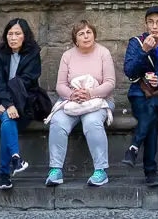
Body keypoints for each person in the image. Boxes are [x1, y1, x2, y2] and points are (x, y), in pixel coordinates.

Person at [44, 19, 117, 188]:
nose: (86, 36)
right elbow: (60, 85)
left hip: (99, 100)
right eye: (81, 34)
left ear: (94, 34)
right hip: (72, 101)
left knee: (91, 122)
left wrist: (90, 93)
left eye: (88, 32)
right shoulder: (67, 55)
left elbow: (110, 83)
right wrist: (72, 94)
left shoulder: (103, 53)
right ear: (75, 39)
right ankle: (56, 170)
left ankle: (100, 171)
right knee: (57, 122)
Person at [123, 5, 158, 188]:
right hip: (139, 93)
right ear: (146, 24)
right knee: (151, 118)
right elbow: (129, 72)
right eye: (151, 22)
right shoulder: (136, 42)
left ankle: (134, 147)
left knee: (152, 110)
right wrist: (144, 52)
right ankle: (150, 172)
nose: (154, 26)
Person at [0, 17, 47, 190]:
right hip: (1, 101)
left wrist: (9, 103)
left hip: (26, 101)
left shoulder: (33, 53)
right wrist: (7, 103)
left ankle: (4, 174)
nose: (13, 37)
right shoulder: (0, 54)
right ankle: (15, 158)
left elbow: (26, 82)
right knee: (8, 118)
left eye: (17, 34)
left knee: (8, 120)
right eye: (10, 34)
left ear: (25, 36)